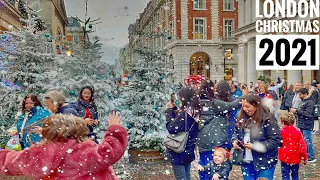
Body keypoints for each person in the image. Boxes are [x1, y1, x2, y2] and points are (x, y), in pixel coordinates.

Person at [0, 112, 128, 180]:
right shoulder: (82, 152)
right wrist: (115, 130)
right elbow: (108, 152)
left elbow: (9, 162)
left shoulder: (39, 154)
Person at [197, 80, 247, 180]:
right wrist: (243, 96)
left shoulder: (199, 102)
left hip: (203, 139)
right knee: (215, 166)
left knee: (204, 164)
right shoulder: (212, 103)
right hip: (214, 139)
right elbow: (231, 106)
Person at [232, 93, 282, 180]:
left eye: (247, 106)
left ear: (256, 105)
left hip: (265, 161)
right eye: (243, 106)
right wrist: (235, 140)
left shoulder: (268, 119)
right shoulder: (241, 117)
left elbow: (275, 140)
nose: (245, 109)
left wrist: (256, 146)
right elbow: (236, 131)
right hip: (246, 160)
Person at [165, 86, 200, 180]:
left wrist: (169, 111)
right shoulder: (194, 111)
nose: (179, 99)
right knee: (186, 176)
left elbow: (171, 128)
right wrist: (175, 110)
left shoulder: (185, 114)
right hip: (188, 149)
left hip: (179, 151)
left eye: (180, 97)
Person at [290, 88, 317, 163]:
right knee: (303, 141)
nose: (299, 96)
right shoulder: (303, 101)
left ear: (305, 94)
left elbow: (308, 114)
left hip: (307, 124)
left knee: (308, 141)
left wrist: (296, 111)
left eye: (300, 94)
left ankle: (311, 157)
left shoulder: (310, 102)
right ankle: (305, 155)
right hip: (302, 124)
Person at [278, 112, 307, 180]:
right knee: (295, 175)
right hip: (295, 158)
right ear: (293, 122)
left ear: (282, 122)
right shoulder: (298, 133)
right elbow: (302, 147)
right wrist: (304, 157)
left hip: (284, 157)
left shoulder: (280, 133)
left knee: (285, 175)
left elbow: (277, 145)